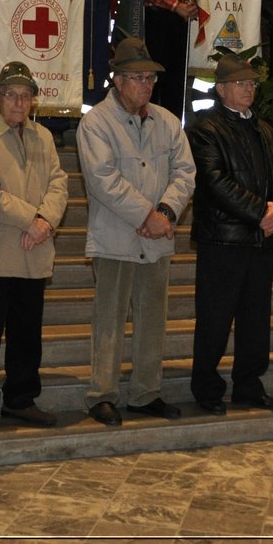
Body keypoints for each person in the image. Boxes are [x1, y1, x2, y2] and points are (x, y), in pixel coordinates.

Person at [76, 37, 196, 426]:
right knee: (109, 319)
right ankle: (102, 394)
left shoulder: (166, 121)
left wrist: (166, 210)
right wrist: (148, 215)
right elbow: (102, 179)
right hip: (116, 237)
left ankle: (146, 392)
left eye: (150, 78)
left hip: (157, 239)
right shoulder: (96, 122)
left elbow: (185, 172)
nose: (147, 84)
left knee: (152, 318)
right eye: (138, 77)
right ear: (118, 80)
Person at [187, 53, 273, 414]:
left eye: (250, 83)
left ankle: (249, 385)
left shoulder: (264, 128)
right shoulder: (205, 128)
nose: (248, 89)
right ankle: (207, 389)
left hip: (260, 239)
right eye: (239, 83)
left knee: (255, 319)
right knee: (215, 318)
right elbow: (215, 182)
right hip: (223, 239)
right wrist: (260, 212)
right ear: (220, 89)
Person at [0, 62, 69, 429]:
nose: (18, 102)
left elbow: (59, 182)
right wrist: (32, 219)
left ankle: (21, 399)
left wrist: (46, 222)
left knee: (28, 332)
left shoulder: (42, 136)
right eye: (11, 95)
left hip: (35, 249)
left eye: (25, 96)